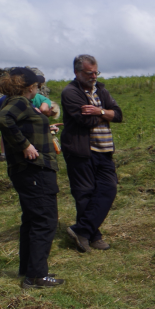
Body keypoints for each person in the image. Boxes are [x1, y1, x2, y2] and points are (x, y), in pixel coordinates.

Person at [0, 68, 65, 289]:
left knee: (32, 219)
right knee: (45, 219)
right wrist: (25, 145)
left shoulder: (18, 103)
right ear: (30, 86)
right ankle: (36, 276)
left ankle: (29, 269)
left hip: (29, 169)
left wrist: (44, 130)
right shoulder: (20, 102)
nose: (38, 89)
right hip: (34, 169)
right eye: (37, 86)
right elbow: (4, 120)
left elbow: (18, 124)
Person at [60, 54, 122, 253]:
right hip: (80, 151)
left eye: (96, 72)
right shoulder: (70, 92)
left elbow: (118, 115)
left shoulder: (101, 89)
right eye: (89, 73)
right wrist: (105, 113)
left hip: (104, 151)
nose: (94, 76)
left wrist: (99, 112)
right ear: (77, 72)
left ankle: (82, 230)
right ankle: (93, 236)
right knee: (84, 194)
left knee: (109, 188)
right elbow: (84, 121)